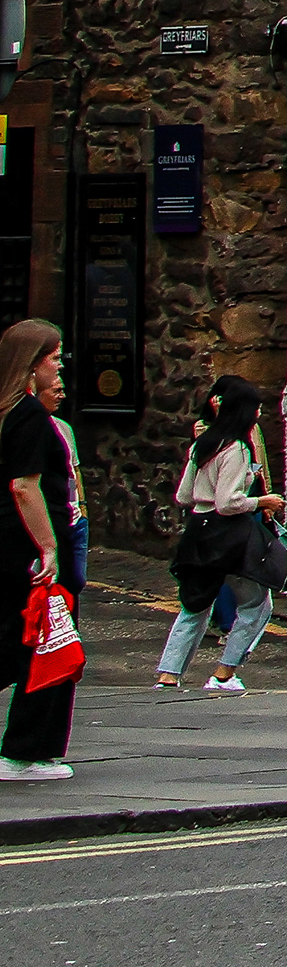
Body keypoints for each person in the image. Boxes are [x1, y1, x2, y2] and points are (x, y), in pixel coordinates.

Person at [154, 376, 283, 694]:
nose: (259, 413)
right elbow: (228, 503)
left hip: (199, 531)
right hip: (229, 535)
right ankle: (224, 673)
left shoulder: (204, 443)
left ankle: (168, 675)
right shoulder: (237, 448)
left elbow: (184, 496)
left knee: (194, 605)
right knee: (258, 604)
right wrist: (263, 500)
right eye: (256, 408)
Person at [1, 322, 80, 779]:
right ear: (32, 365)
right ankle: (25, 752)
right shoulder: (29, 414)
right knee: (45, 643)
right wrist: (49, 547)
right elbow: (25, 485)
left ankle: (31, 749)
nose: (60, 364)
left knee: (14, 639)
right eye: (55, 357)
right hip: (30, 544)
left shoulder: (7, 410)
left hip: (8, 542)